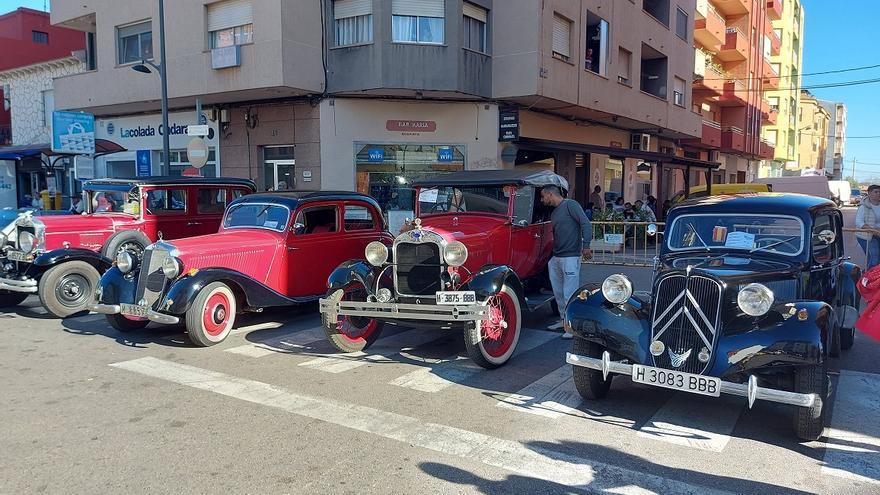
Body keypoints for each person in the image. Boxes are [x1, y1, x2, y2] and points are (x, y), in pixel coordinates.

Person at [540, 185, 592, 338]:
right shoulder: (555, 212)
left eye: (544, 196)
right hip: (557, 256)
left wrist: (586, 245)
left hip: (570, 256)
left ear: (550, 194)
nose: (542, 200)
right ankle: (563, 320)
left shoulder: (570, 205)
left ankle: (571, 326)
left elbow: (586, 223)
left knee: (569, 292)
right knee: (559, 292)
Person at [855, 184, 880, 271]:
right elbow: (858, 222)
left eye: (879, 192)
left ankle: (873, 276)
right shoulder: (864, 207)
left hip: (878, 234)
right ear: (869, 194)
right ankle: (867, 278)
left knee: (876, 259)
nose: (878, 194)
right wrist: (872, 230)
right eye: (876, 192)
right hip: (865, 236)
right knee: (874, 257)